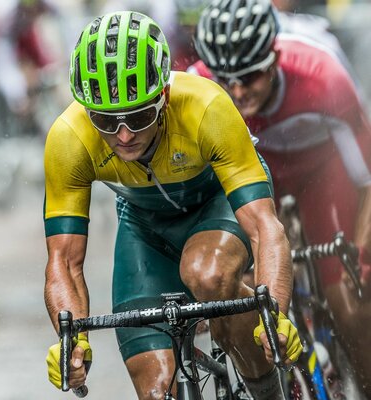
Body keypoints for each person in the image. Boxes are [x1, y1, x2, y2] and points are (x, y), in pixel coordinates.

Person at [43, 11, 302, 399]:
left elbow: (266, 229)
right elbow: (63, 262)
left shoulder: (206, 106)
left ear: (163, 97)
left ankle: (269, 391)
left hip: (216, 202)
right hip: (144, 226)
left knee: (207, 274)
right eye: (105, 120)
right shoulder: (69, 138)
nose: (124, 134)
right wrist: (71, 341)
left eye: (139, 115)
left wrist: (274, 316)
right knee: (153, 391)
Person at [189, 0, 371, 397]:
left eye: (250, 76)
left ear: (274, 57)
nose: (237, 92)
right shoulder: (196, 86)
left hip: (321, 169)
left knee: (348, 301)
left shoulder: (322, 76)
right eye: (225, 79)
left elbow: (367, 181)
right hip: (253, 172)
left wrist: (360, 256)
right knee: (246, 290)